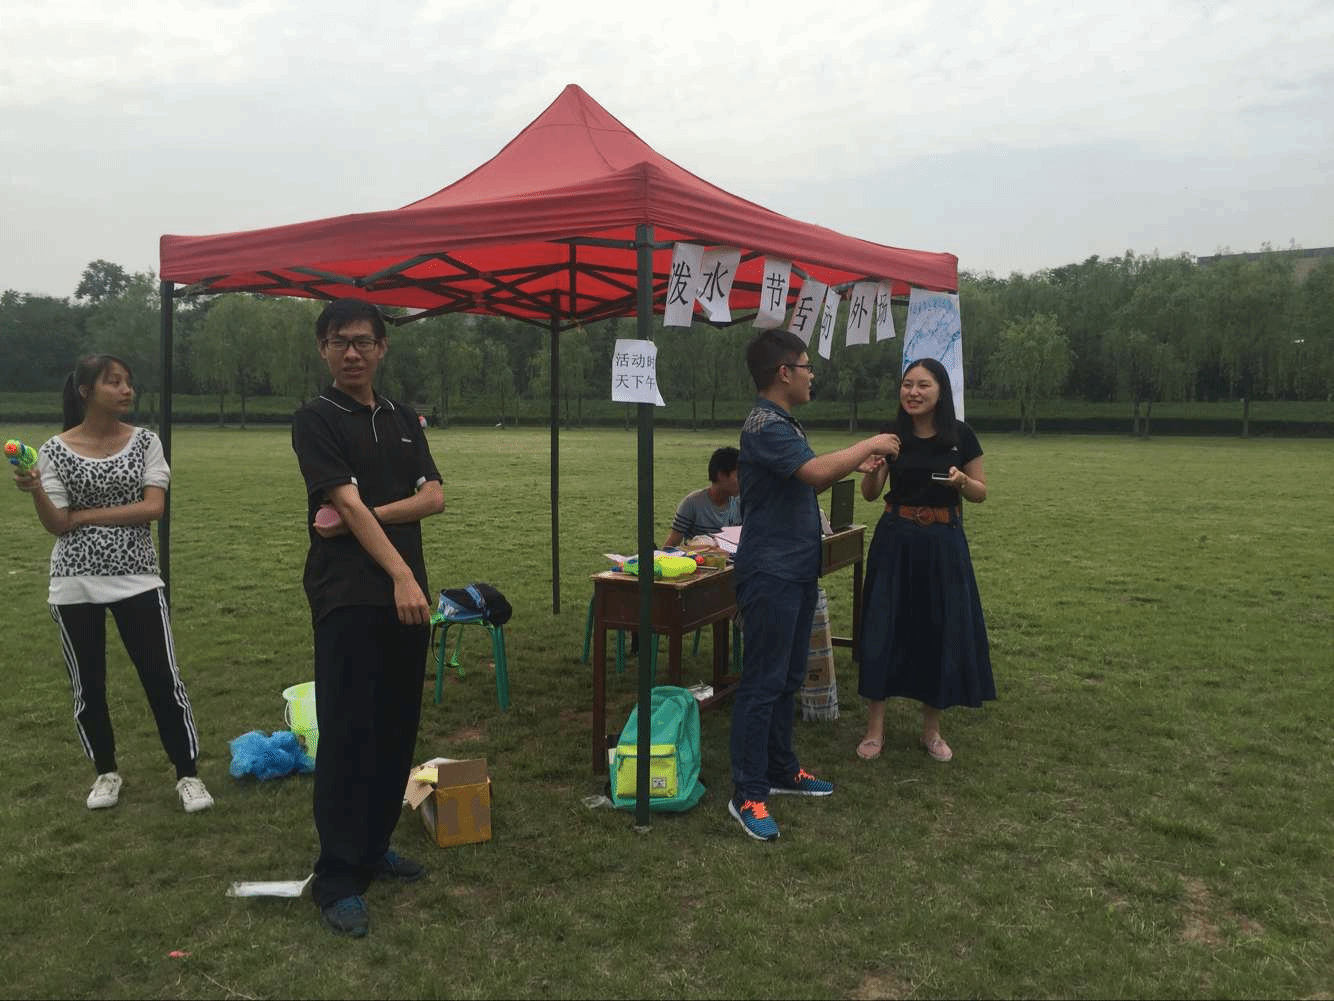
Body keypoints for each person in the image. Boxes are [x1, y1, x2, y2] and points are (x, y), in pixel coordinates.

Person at [291, 298, 445, 937]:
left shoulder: (403, 417)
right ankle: (337, 875)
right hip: (349, 594)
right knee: (349, 730)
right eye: (339, 342)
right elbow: (343, 502)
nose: (351, 353)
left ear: (382, 347)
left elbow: (434, 496)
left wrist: (371, 519)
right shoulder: (316, 418)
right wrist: (400, 573)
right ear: (323, 349)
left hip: (407, 595)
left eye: (362, 341)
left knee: (395, 725)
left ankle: (375, 845)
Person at [12, 354, 213, 814]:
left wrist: (84, 516)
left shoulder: (145, 442)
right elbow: (56, 524)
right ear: (86, 392)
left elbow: (153, 508)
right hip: (74, 584)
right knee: (89, 686)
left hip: (138, 579)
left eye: (128, 382)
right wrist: (36, 488)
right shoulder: (54, 450)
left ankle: (187, 774)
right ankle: (106, 772)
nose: (127, 390)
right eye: (114, 382)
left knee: (163, 680)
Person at [728, 330, 900, 841]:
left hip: (796, 569)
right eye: (806, 367)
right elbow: (814, 473)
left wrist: (857, 462)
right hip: (771, 572)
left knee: (786, 679)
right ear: (784, 372)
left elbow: (808, 473)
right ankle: (748, 792)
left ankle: (781, 770)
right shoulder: (764, 424)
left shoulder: (782, 422)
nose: (811, 375)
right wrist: (868, 444)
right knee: (762, 683)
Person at [855, 356, 995, 764]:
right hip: (895, 539)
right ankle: (874, 729)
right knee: (883, 626)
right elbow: (870, 493)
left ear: (940, 391)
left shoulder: (961, 436)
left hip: (942, 543)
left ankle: (932, 730)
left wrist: (962, 481)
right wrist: (872, 469)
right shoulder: (891, 437)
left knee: (939, 628)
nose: (913, 392)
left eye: (923, 385)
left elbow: (981, 492)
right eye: (907, 384)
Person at [662, 446, 741, 548]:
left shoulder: (742, 503)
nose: (743, 480)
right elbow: (671, 545)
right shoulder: (691, 503)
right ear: (721, 475)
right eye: (738, 475)